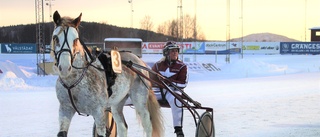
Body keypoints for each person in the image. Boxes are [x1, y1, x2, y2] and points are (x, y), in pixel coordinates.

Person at [151, 41, 188, 137]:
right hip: (159, 91)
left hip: (173, 91)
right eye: (172, 51)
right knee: (146, 97)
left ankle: (178, 130)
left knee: (176, 100)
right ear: (166, 53)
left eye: (176, 51)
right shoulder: (158, 65)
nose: (175, 53)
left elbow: (183, 83)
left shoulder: (182, 66)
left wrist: (169, 81)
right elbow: (150, 79)